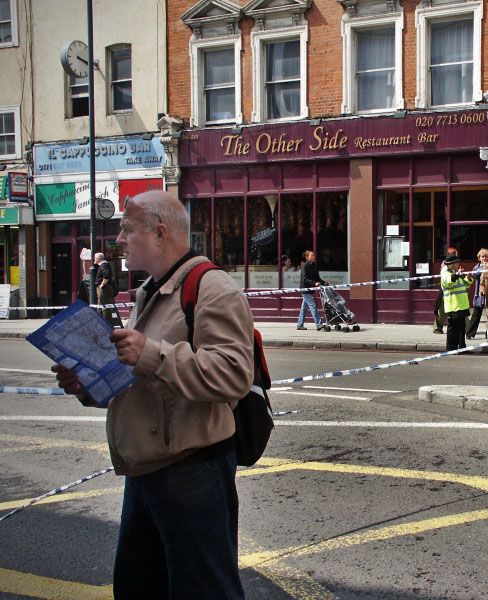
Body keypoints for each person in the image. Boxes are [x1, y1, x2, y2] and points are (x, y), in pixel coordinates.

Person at [52, 191, 252, 598]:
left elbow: (234, 374)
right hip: (147, 471)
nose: (119, 240)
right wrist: (89, 385)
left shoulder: (213, 288)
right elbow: (139, 378)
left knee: (204, 591)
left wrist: (152, 354)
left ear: (160, 234)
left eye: (127, 230)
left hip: (192, 472)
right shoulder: (149, 291)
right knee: (137, 588)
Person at [441, 253, 473, 351]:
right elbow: (449, 281)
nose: (457, 264)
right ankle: (451, 348)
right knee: (453, 329)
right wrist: (457, 275)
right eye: (455, 263)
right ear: (450, 264)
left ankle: (461, 347)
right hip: (453, 306)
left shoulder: (455, 273)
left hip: (461, 305)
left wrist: (468, 278)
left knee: (461, 328)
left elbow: (464, 285)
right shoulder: (446, 273)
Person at [297, 250, 328, 331]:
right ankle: (319, 324)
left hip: (310, 289)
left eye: (314, 255)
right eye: (312, 255)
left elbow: (317, 278)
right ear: (307, 257)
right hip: (305, 289)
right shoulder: (305, 266)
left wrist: (324, 282)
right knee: (313, 305)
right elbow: (305, 279)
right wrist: (314, 283)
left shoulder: (314, 265)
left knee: (304, 308)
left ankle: (300, 324)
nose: (314, 257)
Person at [433, 246, 458, 334]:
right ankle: (437, 328)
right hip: (445, 290)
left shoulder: (455, 264)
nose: (457, 255)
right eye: (455, 253)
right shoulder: (445, 265)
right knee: (441, 310)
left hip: (453, 290)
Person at [465, 248, 488, 339]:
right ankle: (470, 333)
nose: (484, 258)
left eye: (486, 257)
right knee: (476, 314)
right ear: (479, 257)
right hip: (479, 294)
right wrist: (484, 267)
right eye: (482, 257)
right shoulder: (477, 267)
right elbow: (476, 275)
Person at [94, 252, 115, 321]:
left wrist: (102, 285)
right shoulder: (103, 265)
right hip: (104, 288)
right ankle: (99, 321)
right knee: (100, 306)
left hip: (104, 288)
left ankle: (107, 323)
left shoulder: (104, 265)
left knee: (104, 306)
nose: (94, 259)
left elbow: (106, 276)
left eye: (95, 258)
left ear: (97, 258)